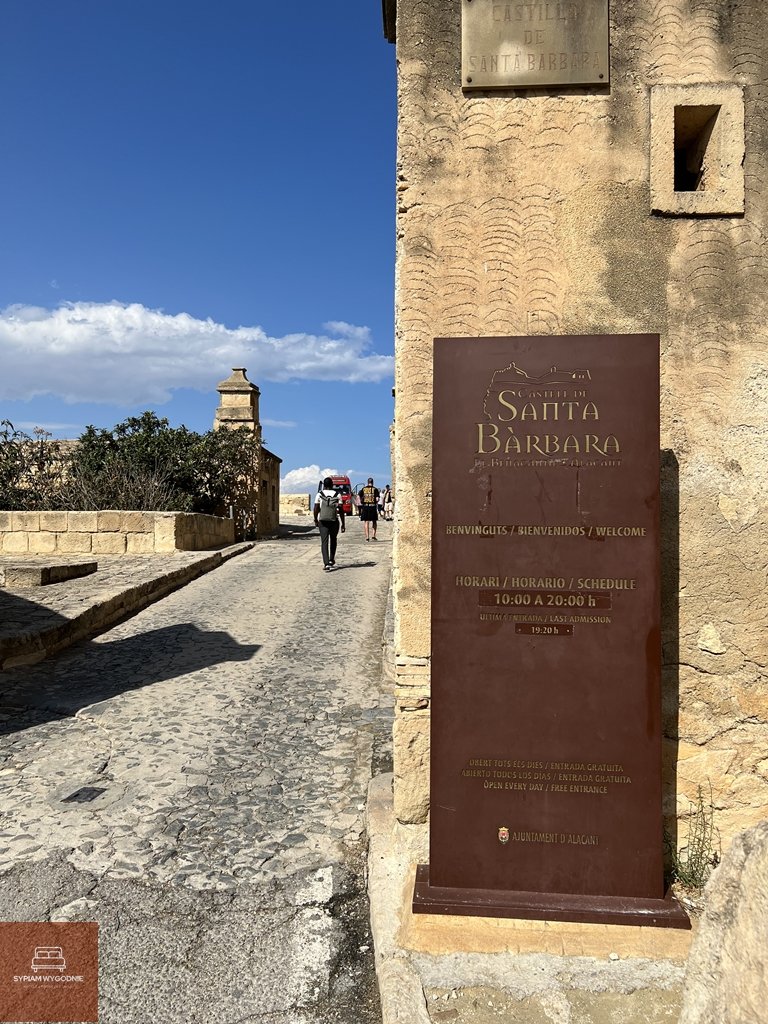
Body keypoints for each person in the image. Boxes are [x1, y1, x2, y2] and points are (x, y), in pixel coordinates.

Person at [313, 476, 345, 570]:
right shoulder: (337, 494)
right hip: (334, 520)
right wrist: (343, 523)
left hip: (322, 521)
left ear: (324, 485)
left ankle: (326, 563)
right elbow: (341, 510)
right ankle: (331, 559)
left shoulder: (319, 494)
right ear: (332, 485)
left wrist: (315, 519)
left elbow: (316, 508)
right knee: (333, 539)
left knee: (324, 542)